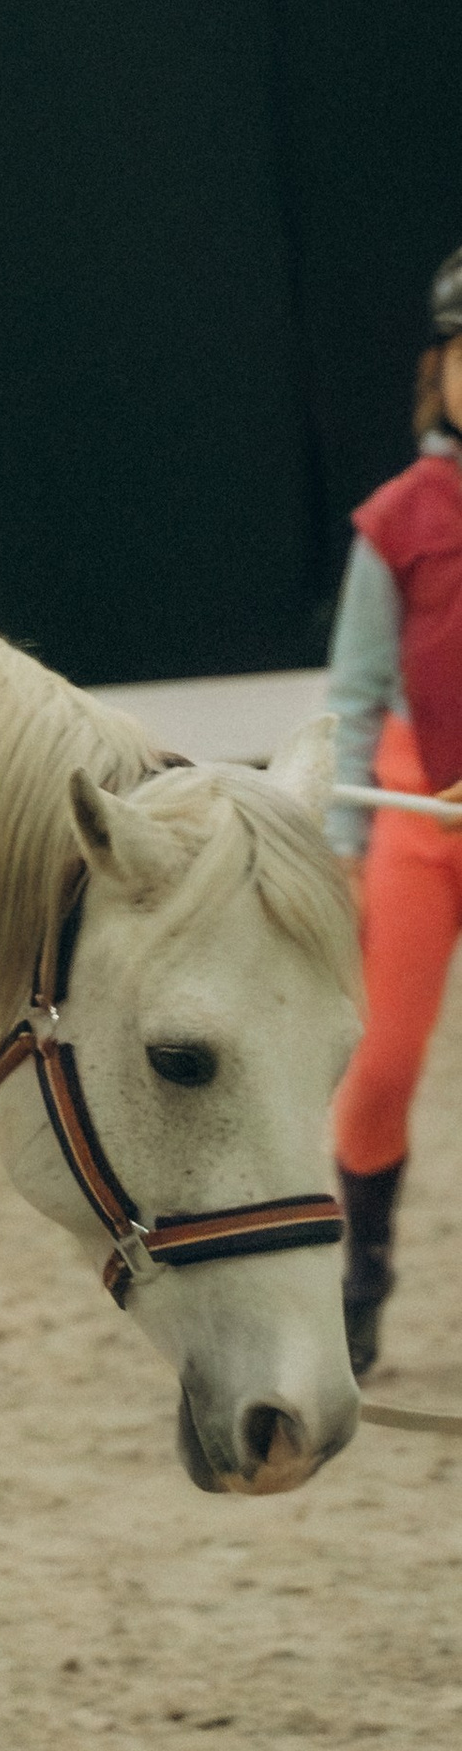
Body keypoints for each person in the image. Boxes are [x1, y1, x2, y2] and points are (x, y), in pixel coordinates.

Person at [325, 244, 462, 1372]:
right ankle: (360, 1274)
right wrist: (340, 844)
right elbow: (355, 691)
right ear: (440, 369)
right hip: (420, 813)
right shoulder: (398, 517)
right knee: (378, 1063)